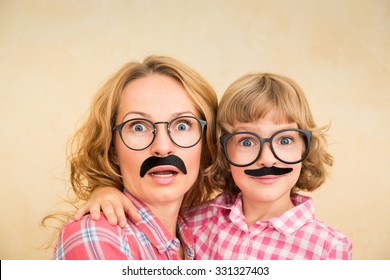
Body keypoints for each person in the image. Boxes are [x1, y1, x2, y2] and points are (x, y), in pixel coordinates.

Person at [76, 72, 352, 259]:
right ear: (220, 150)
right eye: (246, 142)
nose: (267, 158)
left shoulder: (328, 248)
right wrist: (106, 190)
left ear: (307, 148)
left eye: (285, 140)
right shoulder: (195, 222)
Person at [46, 55, 218, 259]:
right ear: (112, 149)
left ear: (205, 144)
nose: (162, 148)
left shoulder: (199, 236)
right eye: (138, 127)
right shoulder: (97, 236)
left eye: (182, 125)